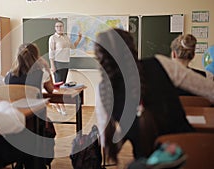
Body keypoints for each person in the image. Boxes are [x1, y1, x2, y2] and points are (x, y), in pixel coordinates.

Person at [94, 29, 214, 163]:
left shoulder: (103, 91)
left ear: (101, 59)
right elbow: (210, 90)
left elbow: (105, 142)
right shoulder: (161, 64)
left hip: (149, 163)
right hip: (192, 156)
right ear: (132, 48)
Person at [48, 20, 82, 115]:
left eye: (61, 26)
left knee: (63, 86)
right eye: (57, 26)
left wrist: (79, 39)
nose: (59, 28)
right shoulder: (53, 38)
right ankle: (61, 106)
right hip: (57, 63)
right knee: (58, 86)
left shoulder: (66, 37)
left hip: (66, 63)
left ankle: (56, 103)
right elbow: (51, 52)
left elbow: (73, 47)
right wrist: (52, 65)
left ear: (63, 27)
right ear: (55, 28)